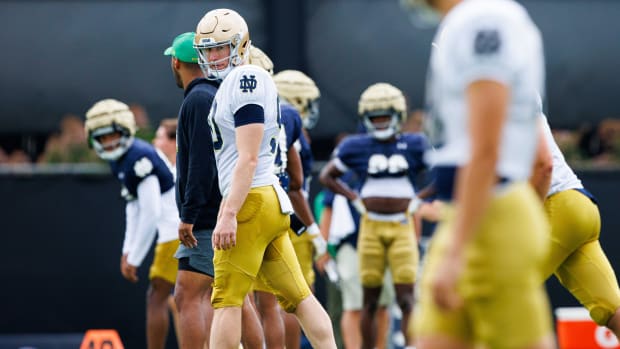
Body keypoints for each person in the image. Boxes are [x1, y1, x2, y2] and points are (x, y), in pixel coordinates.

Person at [412, 0, 555, 348]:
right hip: (469, 212)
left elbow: (487, 149)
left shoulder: (483, 18)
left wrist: (456, 251)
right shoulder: (473, 19)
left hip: (494, 217)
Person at [192, 8, 337, 349]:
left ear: (241, 46)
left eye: (221, 48)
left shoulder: (247, 80)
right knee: (298, 296)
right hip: (266, 200)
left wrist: (228, 213)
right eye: (208, 49)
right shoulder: (235, 82)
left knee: (225, 300)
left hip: (250, 201)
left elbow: (249, 156)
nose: (213, 56)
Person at [164, 32, 263, 349]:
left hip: (209, 216)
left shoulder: (198, 99)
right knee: (237, 297)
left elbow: (202, 164)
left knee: (188, 294)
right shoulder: (214, 94)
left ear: (176, 62)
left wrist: (189, 214)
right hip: (225, 211)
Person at [320, 82, 428, 349]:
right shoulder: (355, 146)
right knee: (364, 302)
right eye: (375, 116)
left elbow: (439, 176)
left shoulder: (413, 144)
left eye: (385, 115)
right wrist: (354, 200)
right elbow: (329, 184)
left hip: (399, 225)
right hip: (363, 232)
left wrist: (418, 203)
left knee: (401, 300)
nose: (380, 122)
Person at [84, 99, 180, 349]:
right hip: (172, 231)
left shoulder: (138, 156)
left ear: (125, 129)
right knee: (182, 299)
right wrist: (127, 250)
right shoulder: (122, 158)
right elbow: (133, 206)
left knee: (159, 297)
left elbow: (150, 211)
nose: (109, 143)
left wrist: (135, 257)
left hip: (174, 232)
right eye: (102, 138)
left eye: (113, 135)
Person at [531, 105, 620, 336]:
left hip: (556, 205)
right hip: (580, 205)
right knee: (613, 311)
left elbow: (544, 165)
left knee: (499, 297)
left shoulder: (504, 92)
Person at [272, 69, 328, 349]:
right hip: (294, 220)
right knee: (297, 299)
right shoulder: (291, 125)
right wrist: (314, 232)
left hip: (274, 214)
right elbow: (295, 186)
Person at [319, 170, 395, 349]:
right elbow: (328, 209)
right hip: (350, 246)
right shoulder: (344, 174)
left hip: (384, 243)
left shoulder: (389, 168)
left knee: (382, 304)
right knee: (353, 305)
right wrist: (323, 250)